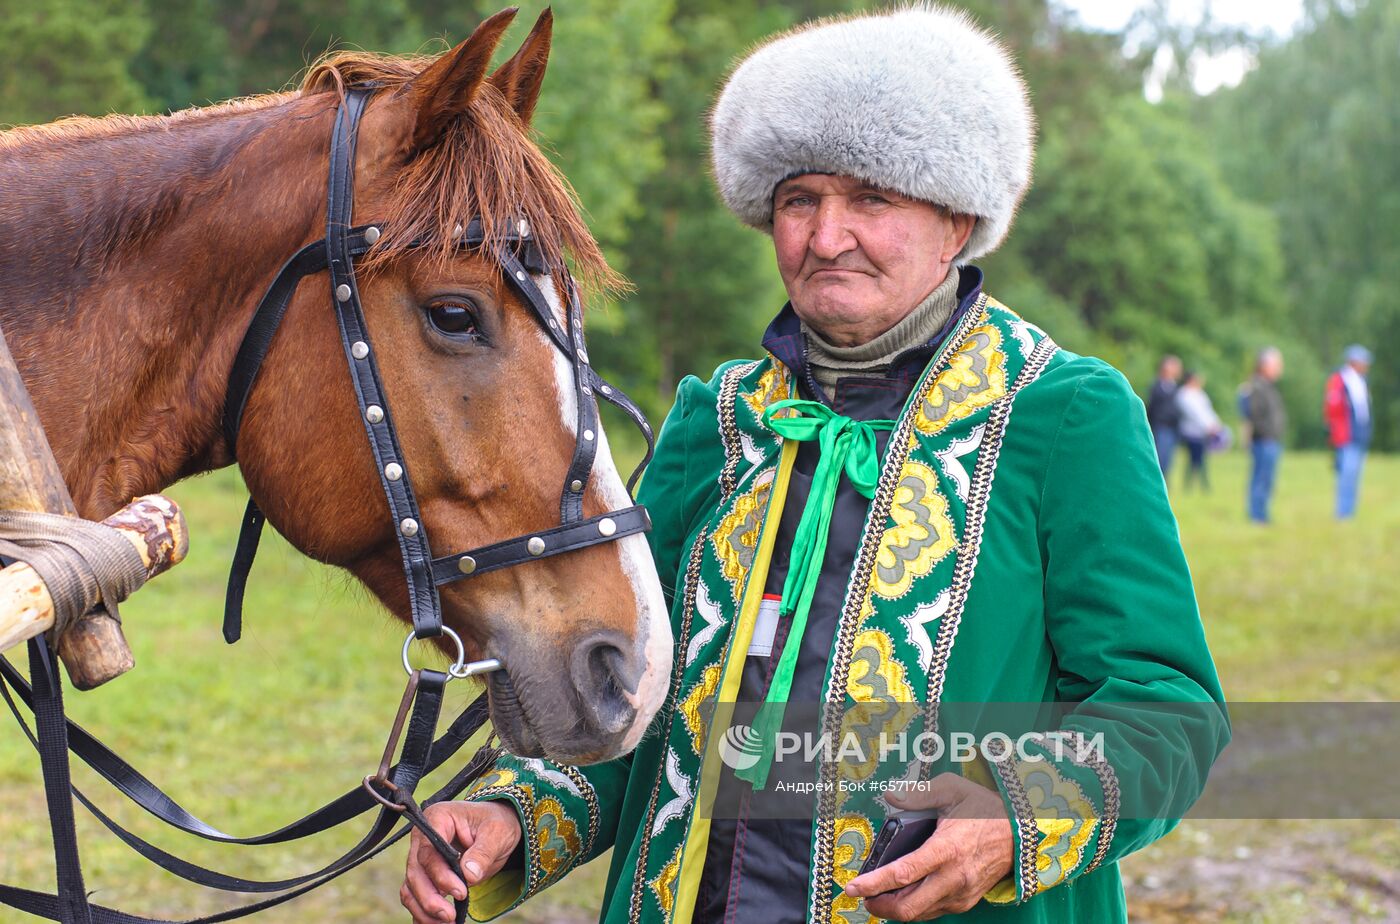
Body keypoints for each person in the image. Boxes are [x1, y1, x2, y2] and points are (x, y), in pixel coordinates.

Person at [400, 8, 1229, 924]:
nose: (827, 236)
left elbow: (1168, 708)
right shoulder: (712, 420)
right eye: (800, 201)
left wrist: (1013, 816)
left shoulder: (1062, 413)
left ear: (956, 220)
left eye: (871, 199)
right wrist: (513, 814)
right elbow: (629, 693)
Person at [1325, 344, 1373, 519]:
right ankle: (1343, 513)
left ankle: (1350, 511)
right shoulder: (1340, 380)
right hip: (1346, 436)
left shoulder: (1361, 381)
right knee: (1346, 474)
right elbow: (1333, 410)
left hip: (1360, 435)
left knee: (1355, 475)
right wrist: (1336, 434)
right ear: (1354, 362)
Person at [1240, 348, 1286, 523]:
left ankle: (1262, 514)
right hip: (1263, 441)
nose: (1280, 368)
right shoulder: (1257, 387)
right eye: (1277, 364)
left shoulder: (1266, 386)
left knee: (1267, 480)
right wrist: (1265, 434)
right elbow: (1254, 415)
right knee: (1260, 478)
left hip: (1271, 441)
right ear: (1265, 365)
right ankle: (1256, 515)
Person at [1175, 371, 1221, 492]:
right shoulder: (1184, 394)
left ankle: (1201, 484)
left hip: (1202, 432)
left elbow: (1207, 411)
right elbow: (1194, 414)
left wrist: (1215, 424)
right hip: (1191, 432)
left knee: (1201, 459)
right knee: (1193, 459)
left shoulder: (1200, 394)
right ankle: (1191, 484)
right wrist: (1208, 426)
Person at [1146, 355, 1183, 477]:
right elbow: (1151, 408)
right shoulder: (1157, 387)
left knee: (1168, 460)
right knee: (1159, 458)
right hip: (1160, 427)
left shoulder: (1175, 388)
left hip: (1172, 428)